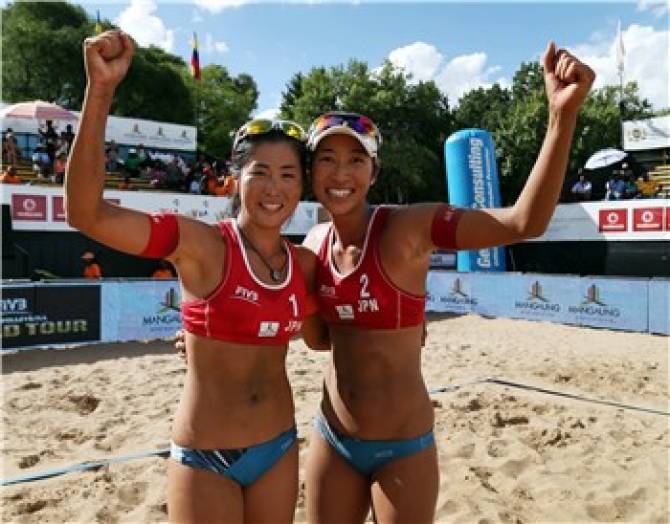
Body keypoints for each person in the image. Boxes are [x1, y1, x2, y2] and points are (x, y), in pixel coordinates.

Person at [299, 42, 595, 523]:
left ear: (374, 172)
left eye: (356, 160)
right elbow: (319, 342)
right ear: (311, 171)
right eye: (327, 159)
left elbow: (524, 222)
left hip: (403, 447)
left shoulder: (409, 228)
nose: (340, 173)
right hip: (333, 439)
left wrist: (561, 117)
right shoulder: (313, 244)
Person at [66, 30, 321, 522]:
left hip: (278, 446)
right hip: (206, 457)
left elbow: (329, 337)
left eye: (288, 175)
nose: (274, 187)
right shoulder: (201, 244)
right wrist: (100, 90)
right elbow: (85, 213)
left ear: (301, 187)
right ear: (234, 180)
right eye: (260, 172)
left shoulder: (305, 264)